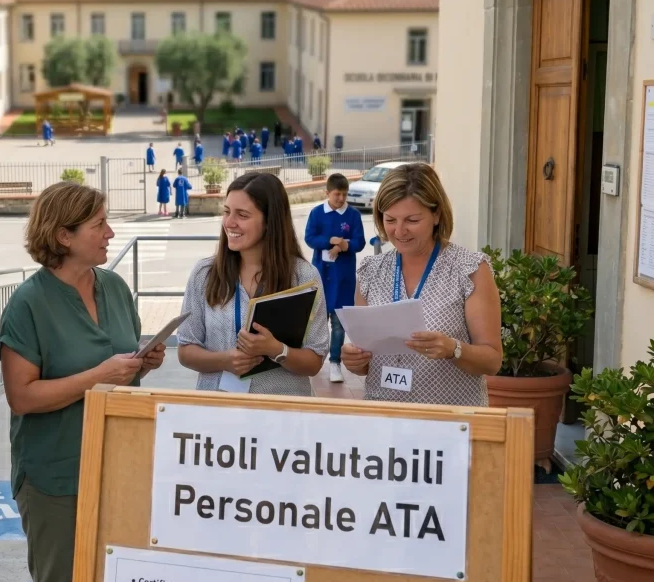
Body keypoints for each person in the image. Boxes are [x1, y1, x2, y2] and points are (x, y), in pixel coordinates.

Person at [0, 182, 164, 582]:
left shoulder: (113, 286)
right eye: (99, 224)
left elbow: (118, 366)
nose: (111, 232)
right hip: (55, 476)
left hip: (116, 467)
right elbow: (21, 396)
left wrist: (139, 363)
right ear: (64, 236)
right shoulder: (28, 303)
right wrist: (100, 375)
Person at [341, 163, 502, 405]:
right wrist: (355, 361)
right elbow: (366, 364)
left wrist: (453, 349)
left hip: (449, 419)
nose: (400, 231)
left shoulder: (468, 269)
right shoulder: (370, 271)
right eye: (390, 220)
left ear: (436, 214)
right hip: (384, 417)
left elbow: (492, 360)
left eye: (412, 220)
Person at [177, 172, 329, 396]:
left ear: (269, 221)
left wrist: (277, 350)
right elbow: (185, 350)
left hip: (282, 414)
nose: (229, 223)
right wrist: (224, 360)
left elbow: (314, 361)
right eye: (227, 212)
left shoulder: (304, 276)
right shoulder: (205, 274)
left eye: (242, 215)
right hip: (219, 413)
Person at [305, 173, 366, 383]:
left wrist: (344, 245)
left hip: (343, 278)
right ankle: (310, 359)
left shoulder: (353, 215)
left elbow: (360, 242)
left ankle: (335, 363)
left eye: (344, 194)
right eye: (337, 194)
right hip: (321, 275)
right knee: (316, 321)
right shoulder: (317, 213)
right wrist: (329, 240)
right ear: (327, 193)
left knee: (339, 323)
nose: (341, 199)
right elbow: (309, 238)